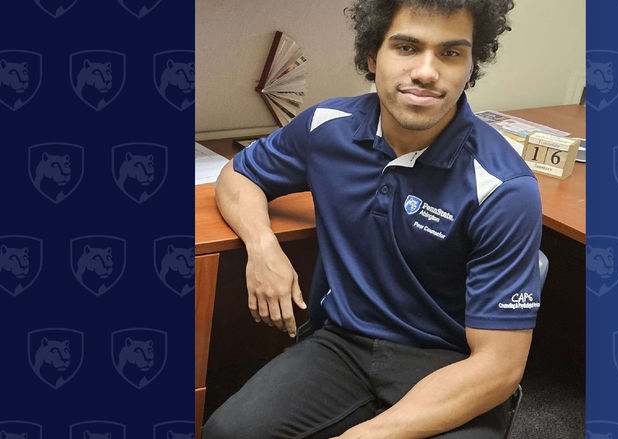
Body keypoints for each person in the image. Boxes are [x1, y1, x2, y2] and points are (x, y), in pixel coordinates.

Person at [204, 0, 542, 437]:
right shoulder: (327, 128)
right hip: (342, 346)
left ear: (471, 66)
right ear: (371, 56)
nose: (426, 71)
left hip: (453, 365)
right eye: (406, 47)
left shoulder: (503, 187)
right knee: (227, 433)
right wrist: (262, 246)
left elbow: (498, 367)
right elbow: (238, 174)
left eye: (451, 53)